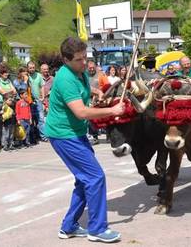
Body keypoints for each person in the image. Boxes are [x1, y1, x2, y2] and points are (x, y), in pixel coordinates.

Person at [45, 37, 124, 243]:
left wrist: (97, 92)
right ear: (66, 60)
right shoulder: (65, 78)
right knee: (95, 177)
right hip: (64, 135)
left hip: (76, 133)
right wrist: (112, 110)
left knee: (84, 179)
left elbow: (86, 91)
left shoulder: (78, 74)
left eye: (85, 57)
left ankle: (69, 226)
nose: (84, 63)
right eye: (79, 60)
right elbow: (80, 112)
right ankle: (97, 229)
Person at [27, 61, 47, 142]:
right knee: (31, 119)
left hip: (38, 100)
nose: (32, 69)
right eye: (30, 68)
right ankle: (33, 137)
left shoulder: (38, 75)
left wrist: (42, 97)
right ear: (27, 68)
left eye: (33, 68)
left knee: (41, 119)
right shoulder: (26, 76)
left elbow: (42, 86)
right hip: (29, 102)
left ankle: (43, 136)